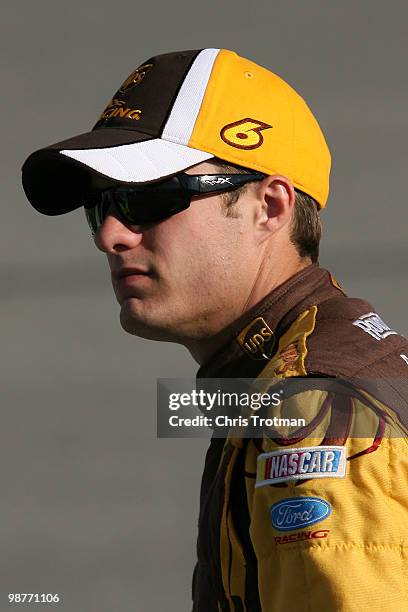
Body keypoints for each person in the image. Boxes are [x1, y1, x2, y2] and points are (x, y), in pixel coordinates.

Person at [22, 48, 408, 611]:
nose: (111, 235)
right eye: (101, 206)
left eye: (147, 197)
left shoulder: (317, 405)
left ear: (269, 207)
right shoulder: (295, 372)